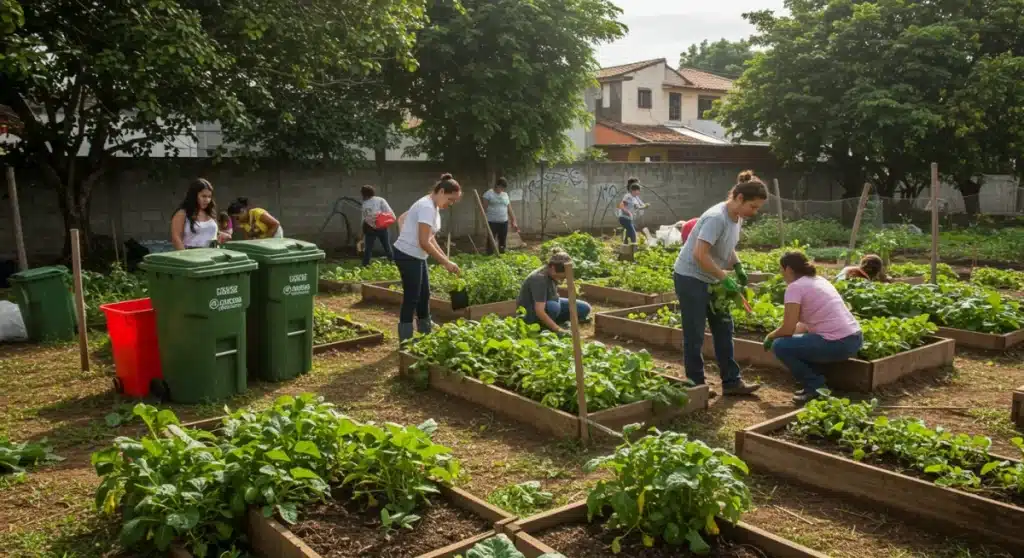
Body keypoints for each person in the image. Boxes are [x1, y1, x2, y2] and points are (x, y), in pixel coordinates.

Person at [672, 170, 766, 396]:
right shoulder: (717, 217)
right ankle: (697, 384)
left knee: (724, 328)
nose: (754, 212)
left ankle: (731, 381)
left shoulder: (737, 217)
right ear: (740, 198)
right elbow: (700, 254)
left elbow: (726, 245)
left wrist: (737, 265)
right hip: (690, 278)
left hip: (713, 278)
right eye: (753, 207)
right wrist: (726, 279)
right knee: (694, 333)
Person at [764, 252, 864, 404]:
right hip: (854, 339)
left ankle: (816, 387)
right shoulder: (818, 280)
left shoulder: (795, 287)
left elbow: (788, 328)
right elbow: (803, 325)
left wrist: (771, 336)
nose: (781, 274)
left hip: (837, 343)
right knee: (792, 343)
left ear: (789, 269)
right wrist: (782, 335)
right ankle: (816, 383)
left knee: (780, 346)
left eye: (781, 270)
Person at [393, 173, 462, 342]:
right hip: (407, 255)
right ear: (441, 192)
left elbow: (429, 237)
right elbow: (424, 241)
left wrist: (446, 259)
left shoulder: (433, 205)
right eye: (450, 199)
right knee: (412, 296)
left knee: (424, 294)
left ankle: (425, 333)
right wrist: (445, 262)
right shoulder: (426, 207)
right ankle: (406, 339)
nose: (450, 204)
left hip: (416, 255)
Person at [516, 250, 591, 333]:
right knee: (553, 307)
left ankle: (554, 322)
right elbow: (539, 311)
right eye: (561, 277)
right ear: (553, 268)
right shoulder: (539, 279)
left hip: (550, 303)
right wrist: (558, 330)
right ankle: (544, 327)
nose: (562, 280)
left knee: (584, 308)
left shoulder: (552, 272)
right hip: (530, 313)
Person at [170, 178, 219, 250]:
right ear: (194, 196)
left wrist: (221, 235)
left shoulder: (210, 213)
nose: (207, 200)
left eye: (209, 197)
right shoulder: (182, 214)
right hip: (192, 255)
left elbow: (207, 233)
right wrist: (186, 257)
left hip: (213, 255)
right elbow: (176, 238)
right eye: (203, 196)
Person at [481, 177, 519, 254]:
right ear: (497, 185)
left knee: (502, 240)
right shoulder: (488, 194)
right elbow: (483, 209)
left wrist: (513, 221)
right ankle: (489, 255)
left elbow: (509, 209)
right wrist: (483, 221)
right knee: (491, 241)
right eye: (501, 187)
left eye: (503, 188)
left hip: (504, 222)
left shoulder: (505, 195)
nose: (502, 190)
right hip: (492, 222)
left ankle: (502, 254)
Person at [360, 185, 395, 266]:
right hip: (382, 227)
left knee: (368, 248)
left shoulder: (364, 203)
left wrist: (361, 231)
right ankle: (392, 263)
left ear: (363, 194)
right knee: (387, 246)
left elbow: (363, 218)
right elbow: (389, 212)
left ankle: (365, 265)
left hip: (369, 228)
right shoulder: (380, 200)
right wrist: (380, 217)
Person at [617, 178, 646, 244]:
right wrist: (629, 212)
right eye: (637, 185)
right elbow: (621, 206)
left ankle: (625, 248)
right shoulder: (628, 196)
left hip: (629, 218)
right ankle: (633, 249)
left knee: (628, 234)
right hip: (624, 217)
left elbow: (640, 205)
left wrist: (644, 206)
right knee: (633, 234)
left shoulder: (635, 197)